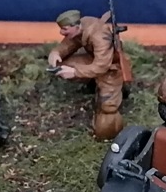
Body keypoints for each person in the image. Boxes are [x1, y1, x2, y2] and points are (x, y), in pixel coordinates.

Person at [47, 9, 125, 139]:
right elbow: (70, 43)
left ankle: (109, 133)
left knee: (107, 110)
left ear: (75, 27)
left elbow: (102, 66)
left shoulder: (99, 37)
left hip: (110, 69)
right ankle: (91, 83)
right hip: (94, 60)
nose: (62, 32)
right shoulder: (82, 26)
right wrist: (56, 53)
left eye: (65, 29)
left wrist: (75, 72)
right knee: (63, 65)